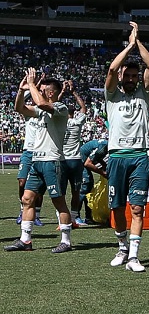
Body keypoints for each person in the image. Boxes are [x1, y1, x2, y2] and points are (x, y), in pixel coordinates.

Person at [103, 22, 149, 272]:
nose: (132, 79)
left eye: (135, 76)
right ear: (122, 77)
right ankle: (122, 247)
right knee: (117, 207)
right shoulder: (112, 97)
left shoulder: (144, 96)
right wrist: (128, 46)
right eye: (128, 75)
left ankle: (134, 256)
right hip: (116, 157)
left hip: (139, 157)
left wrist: (139, 43)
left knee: (137, 207)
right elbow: (112, 67)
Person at [5, 68, 71, 253]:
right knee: (27, 199)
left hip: (52, 161)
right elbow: (19, 108)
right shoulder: (39, 111)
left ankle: (66, 240)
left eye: (41, 90)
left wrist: (32, 84)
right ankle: (25, 240)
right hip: (37, 161)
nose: (37, 92)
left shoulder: (60, 108)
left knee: (58, 201)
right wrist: (21, 90)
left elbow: (43, 105)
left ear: (50, 93)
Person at [59, 80, 88, 226]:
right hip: (75, 160)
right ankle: (74, 217)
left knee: (61, 193)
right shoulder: (77, 123)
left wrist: (62, 92)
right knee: (76, 191)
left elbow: (52, 106)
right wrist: (73, 92)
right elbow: (83, 107)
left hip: (62, 160)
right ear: (73, 113)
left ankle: (62, 220)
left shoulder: (58, 122)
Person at [16, 89, 44, 227]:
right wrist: (30, 87)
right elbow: (19, 103)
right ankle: (23, 210)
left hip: (41, 152)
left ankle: (37, 215)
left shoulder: (45, 114)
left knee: (39, 186)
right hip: (28, 152)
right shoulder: (29, 113)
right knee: (22, 182)